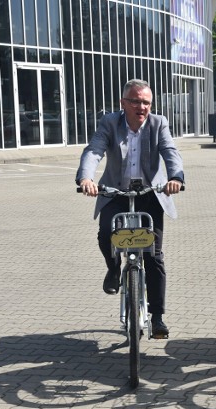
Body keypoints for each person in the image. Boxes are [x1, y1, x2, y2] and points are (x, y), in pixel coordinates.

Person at [76, 79, 184, 339]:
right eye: (135, 101)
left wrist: (176, 178)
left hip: (149, 195)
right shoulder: (110, 122)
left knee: (154, 255)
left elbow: (171, 152)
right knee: (106, 236)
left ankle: (157, 317)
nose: (141, 106)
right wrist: (86, 179)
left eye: (146, 102)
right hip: (116, 193)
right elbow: (94, 150)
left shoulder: (159, 124)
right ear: (123, 103)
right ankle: (114, 269)